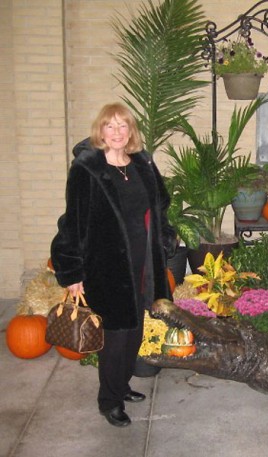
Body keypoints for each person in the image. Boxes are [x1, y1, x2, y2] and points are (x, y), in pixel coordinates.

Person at [51, 102, 176, 427]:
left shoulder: (141, 163)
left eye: (123, 126)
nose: (117, 132)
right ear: (100, 131)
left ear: (131, 131)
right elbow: (72, 223)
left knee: (134, 330)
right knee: (115, 336)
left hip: (143, 263)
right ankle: (109, 401)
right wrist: (73, 273)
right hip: (106, 267)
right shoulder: (87, 169)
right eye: (111, 126)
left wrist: (163, 238)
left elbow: (160, 203)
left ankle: (122, 386)